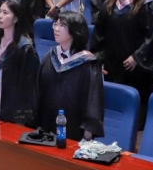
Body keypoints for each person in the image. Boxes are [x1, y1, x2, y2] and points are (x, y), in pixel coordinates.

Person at [90, 0, 153, 122]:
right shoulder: (109, 3)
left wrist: (137, 57)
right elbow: (99, 35)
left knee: (137, 113)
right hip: (113, 64)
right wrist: (98, 59)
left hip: (137, 68)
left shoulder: (147, 4)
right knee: (115, 109)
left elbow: (152, 36)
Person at [37, 10, 104, 141]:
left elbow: (93, 100)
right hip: (47, 129)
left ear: (75, 30)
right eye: (55, 24)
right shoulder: (50, 56)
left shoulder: (87, 62)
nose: (56, 29)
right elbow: (39, 90)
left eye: (62, 25)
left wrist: (87, 135)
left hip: (74, 131)